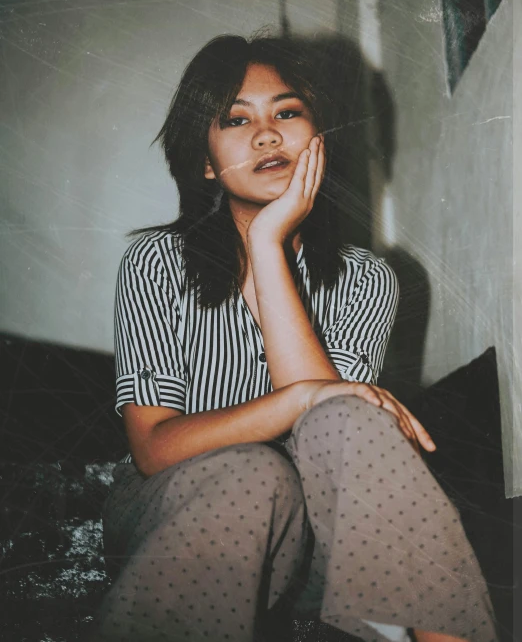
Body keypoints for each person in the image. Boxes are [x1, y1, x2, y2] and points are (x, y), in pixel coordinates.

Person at [90, 35, 498, 642]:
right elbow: (153, 448)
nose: (266, 134)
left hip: (317, 541)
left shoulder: (367, 279)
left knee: (347, 417)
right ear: (204, 162)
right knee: (256, 470)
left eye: (287, 112)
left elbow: (337, 431)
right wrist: (296, 399)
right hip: (183, 511)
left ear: (319, 139)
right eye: (235, 118)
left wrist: (266, 247)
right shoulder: (157, 261)